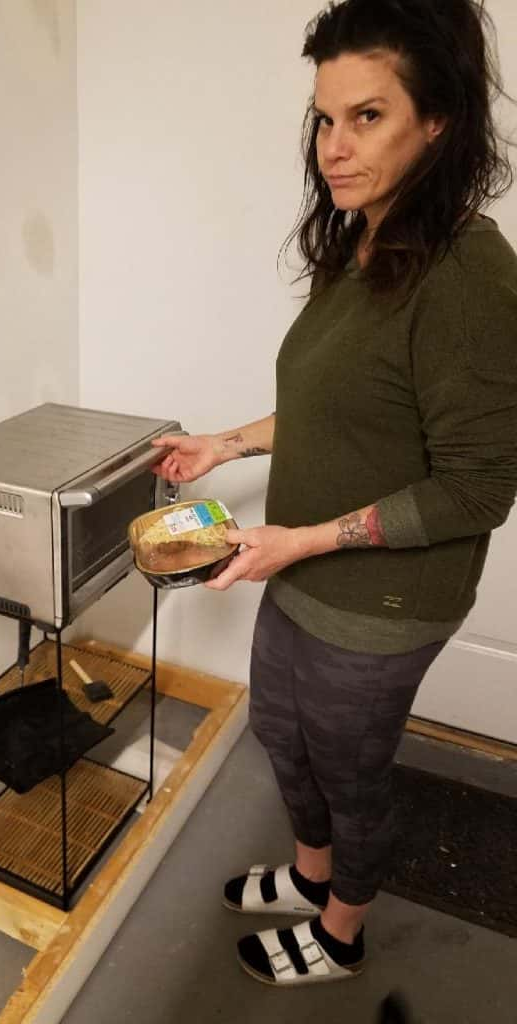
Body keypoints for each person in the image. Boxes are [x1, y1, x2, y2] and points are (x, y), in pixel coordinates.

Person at [152, 0, 517, 988]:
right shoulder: (360, 243)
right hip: (302, 563)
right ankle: (312, 877)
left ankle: (342, 930)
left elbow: (478, 490)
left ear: (437, 122)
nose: (333, 147)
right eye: (323, 118)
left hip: (385, 599)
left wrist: (300, 540)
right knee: (281, 732)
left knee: (353, 773)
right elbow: (331, 406)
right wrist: (225, 442)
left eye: (367, 117)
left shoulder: (468, 276)